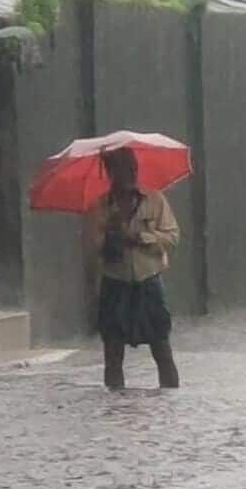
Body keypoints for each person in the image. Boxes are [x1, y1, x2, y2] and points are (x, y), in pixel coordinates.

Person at [88, 147, 181, 390]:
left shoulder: (155, 199)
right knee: (113, 354)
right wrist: (111, 233)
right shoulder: (101, 207)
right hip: (115, 284)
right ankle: (115, 408)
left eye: (131, 168)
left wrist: (142, 237)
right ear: (110, 173)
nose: (128, 175)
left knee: (162, 349)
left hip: (148, 282)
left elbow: (172, 236)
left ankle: (170, 405)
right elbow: (92, 247)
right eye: (120, 169)